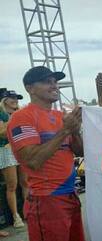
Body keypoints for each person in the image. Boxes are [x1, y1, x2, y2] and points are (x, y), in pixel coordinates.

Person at [7, 66, 85, 241]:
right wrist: (65, 131)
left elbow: (80, 152)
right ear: (29, 88)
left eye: (55, 82)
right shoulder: (22, 117)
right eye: (46, 82)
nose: (54, 86)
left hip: (70, 195)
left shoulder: (60, 116)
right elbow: (32, 161)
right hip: (47, 200)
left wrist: (75, 130)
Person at [0, 89, 27, 229]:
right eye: (12, 98)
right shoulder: (1, 114)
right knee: (12, 185)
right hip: (6, 150)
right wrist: (13, 119)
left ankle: (27, 212)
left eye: (17, 98)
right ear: (5, 100)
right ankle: (16, 217)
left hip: (20, 148)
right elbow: (3, 134)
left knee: (26, 182)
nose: (16, 100)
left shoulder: (20, 112)